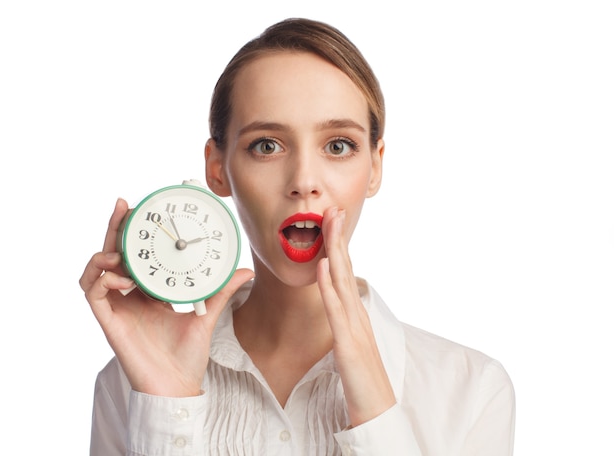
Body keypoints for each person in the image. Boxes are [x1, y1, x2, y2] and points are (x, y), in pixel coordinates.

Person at [80, 18, 515, 455]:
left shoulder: (472, 390)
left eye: (338, 145)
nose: (304, 181)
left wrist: (378, 413)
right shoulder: (130, 386)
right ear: (218, 168)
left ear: (375, 166)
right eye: (267, 145)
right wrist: (166, 405)